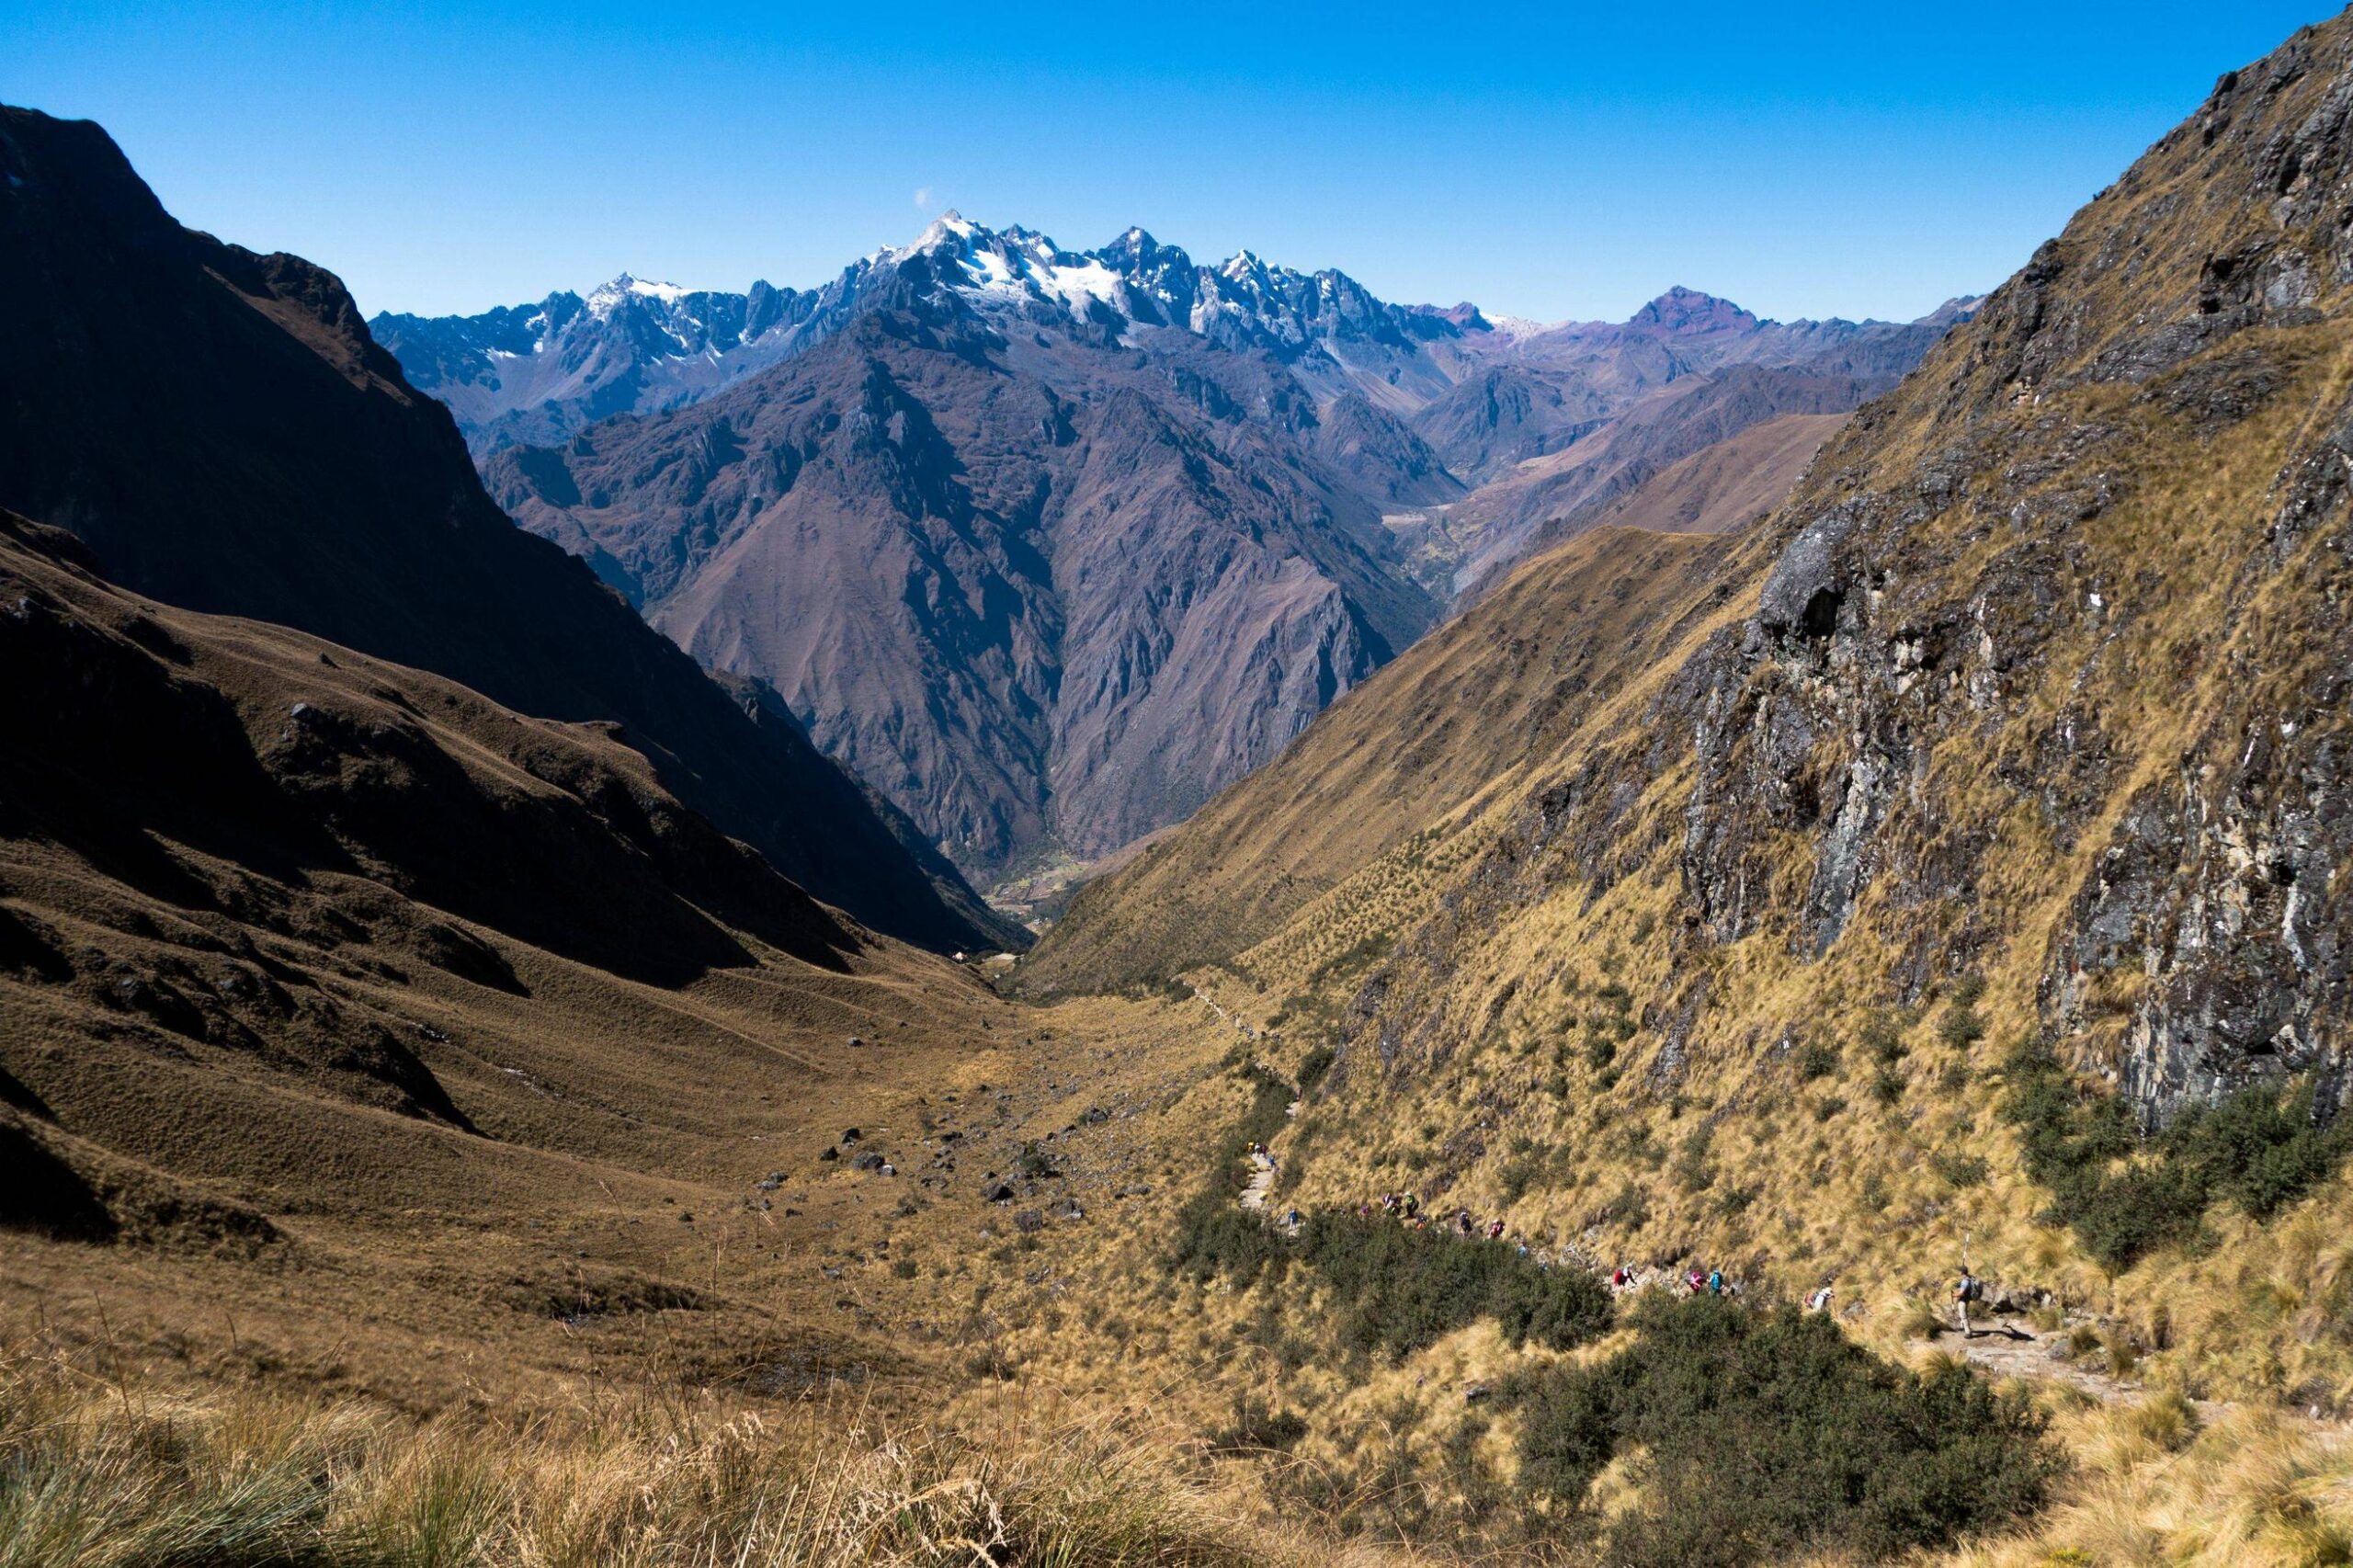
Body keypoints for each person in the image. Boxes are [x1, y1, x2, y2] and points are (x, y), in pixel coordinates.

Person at [1955, 1266, 1980, 1336]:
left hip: (1963, 1300)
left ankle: (1968, 1332)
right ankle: (1963, 1326)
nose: (1958, 1272)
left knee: (1963, 1316)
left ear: (1962, 1272)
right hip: (1967, 1299)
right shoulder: (1969, 1279)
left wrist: (1954, 1295)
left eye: (1959, 1271)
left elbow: (1961, 1293)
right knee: (1963, 1314)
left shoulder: (1965, 1281)